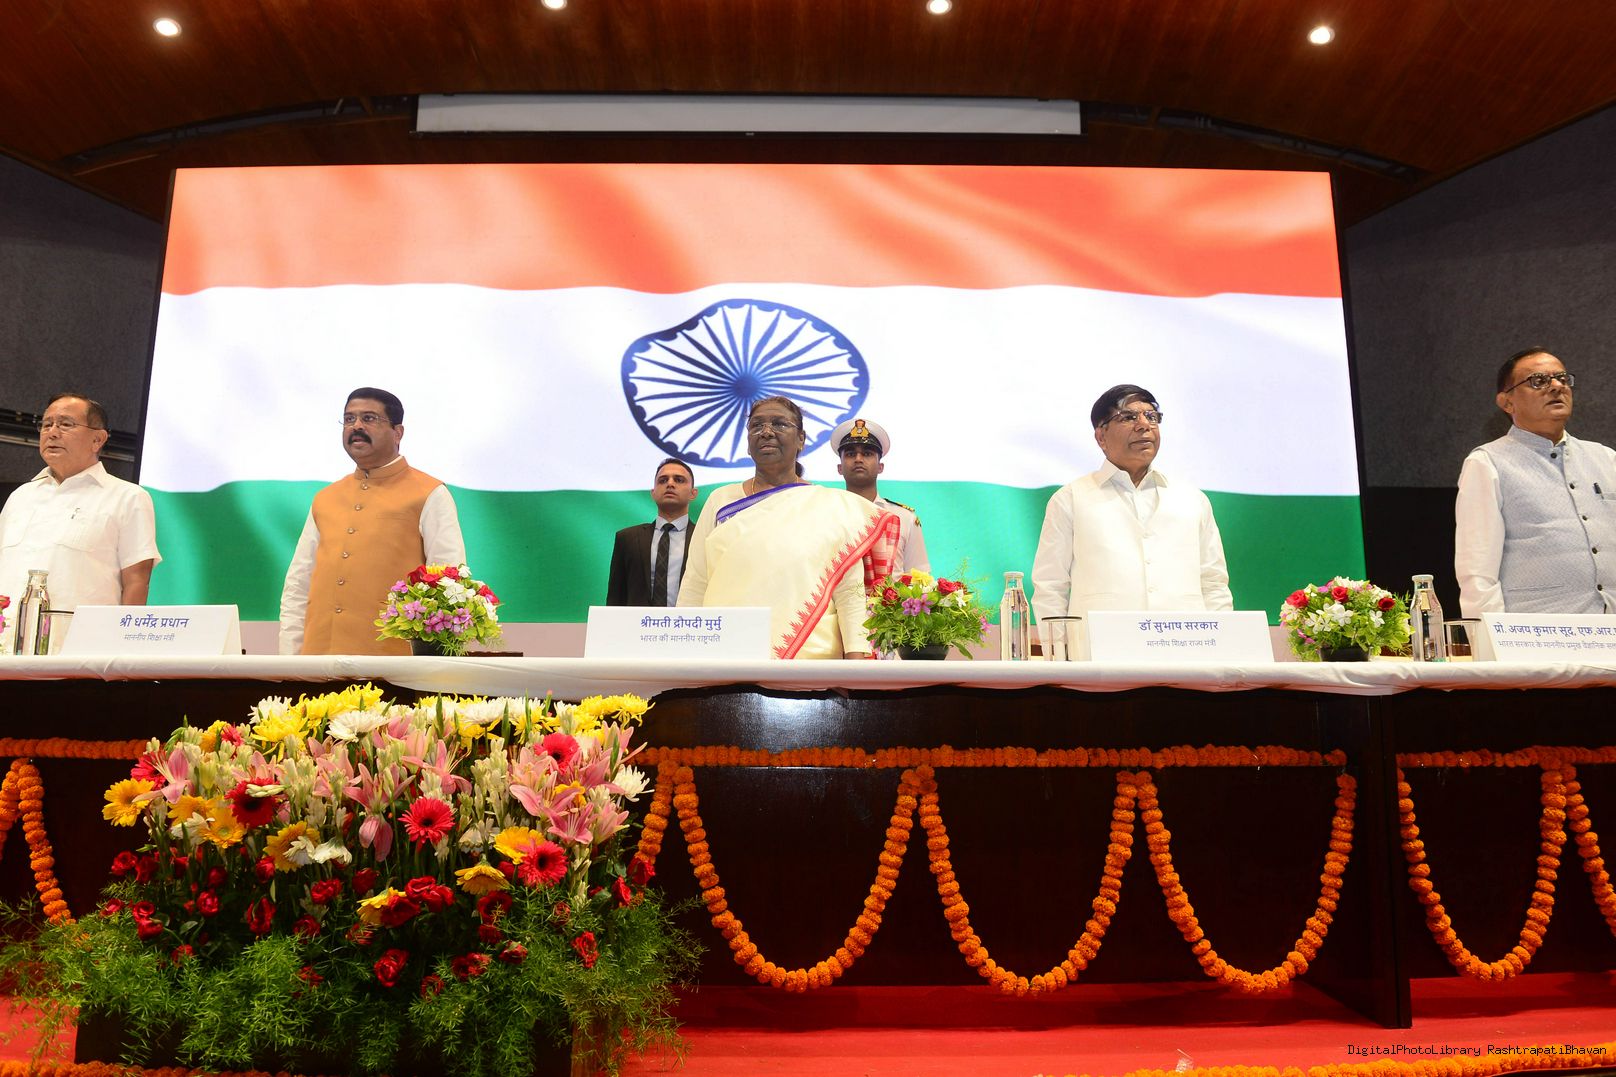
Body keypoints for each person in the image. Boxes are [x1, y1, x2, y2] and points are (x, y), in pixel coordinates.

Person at [677, 396, 899, 658]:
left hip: (812, 660)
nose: (766, 432)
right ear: (748, 442)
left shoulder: (829, 506)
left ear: (801, 439)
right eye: (756, 425)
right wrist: (684, 653)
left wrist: (856, 658)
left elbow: (850, 591)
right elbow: (695, 582)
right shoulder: (721, 500)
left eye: (779, 424)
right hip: (729, 653)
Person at [278, 387, 466, 655]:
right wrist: (290, 660)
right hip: (318, 661)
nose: (356, 426)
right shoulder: (325, 498)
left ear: (398, 432)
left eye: (369, 418)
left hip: (393, 665)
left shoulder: (429, 493)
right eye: (349, 419)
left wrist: (434, 666)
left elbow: (449, 583)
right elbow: (298, 584)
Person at [1030, 383, 1232, 624]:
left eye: (1151, 417)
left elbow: (1213, 583)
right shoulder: (1070, 499)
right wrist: (1059, 646)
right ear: (1101, 436)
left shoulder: (1192, 499)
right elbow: (1051, 586)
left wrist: (1222, 640)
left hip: (1185, 642)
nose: (1144, 425)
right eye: (1128, 417)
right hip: (1099, 645)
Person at [1454, 348, 1616, 617]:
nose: (1556, 386)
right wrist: (1489, 636)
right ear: (1507, 402)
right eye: (1538, 381)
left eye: (1562, 378)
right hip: (1538, 632)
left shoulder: (1606, 458)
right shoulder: (1487, 463)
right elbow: (1477, 571)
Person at [0, 393, 161, 651]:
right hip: (8, 652)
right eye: (46, 424)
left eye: (65, 424)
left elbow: (136, 582)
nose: (52, 432)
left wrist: (124, 652)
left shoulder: (127, 497)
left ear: (98, 439)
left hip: (82, 656)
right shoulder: (20, 497)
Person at [830, 417, 930, 575]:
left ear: (880, 467)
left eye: (867, 454)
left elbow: (919, 576)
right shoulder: (828, 514)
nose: (858, 459)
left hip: (891, 592)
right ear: (839, 468)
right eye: (850, 454)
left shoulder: (904, 517)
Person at [606, 458, 698, 606]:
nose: (670, 484)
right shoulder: (627, 538)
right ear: (653, 493)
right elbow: (616, 598)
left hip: (690, 620)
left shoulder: (705, 538)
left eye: (679, 480)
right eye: (663, 480)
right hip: (636, 621)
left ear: (693, 493)